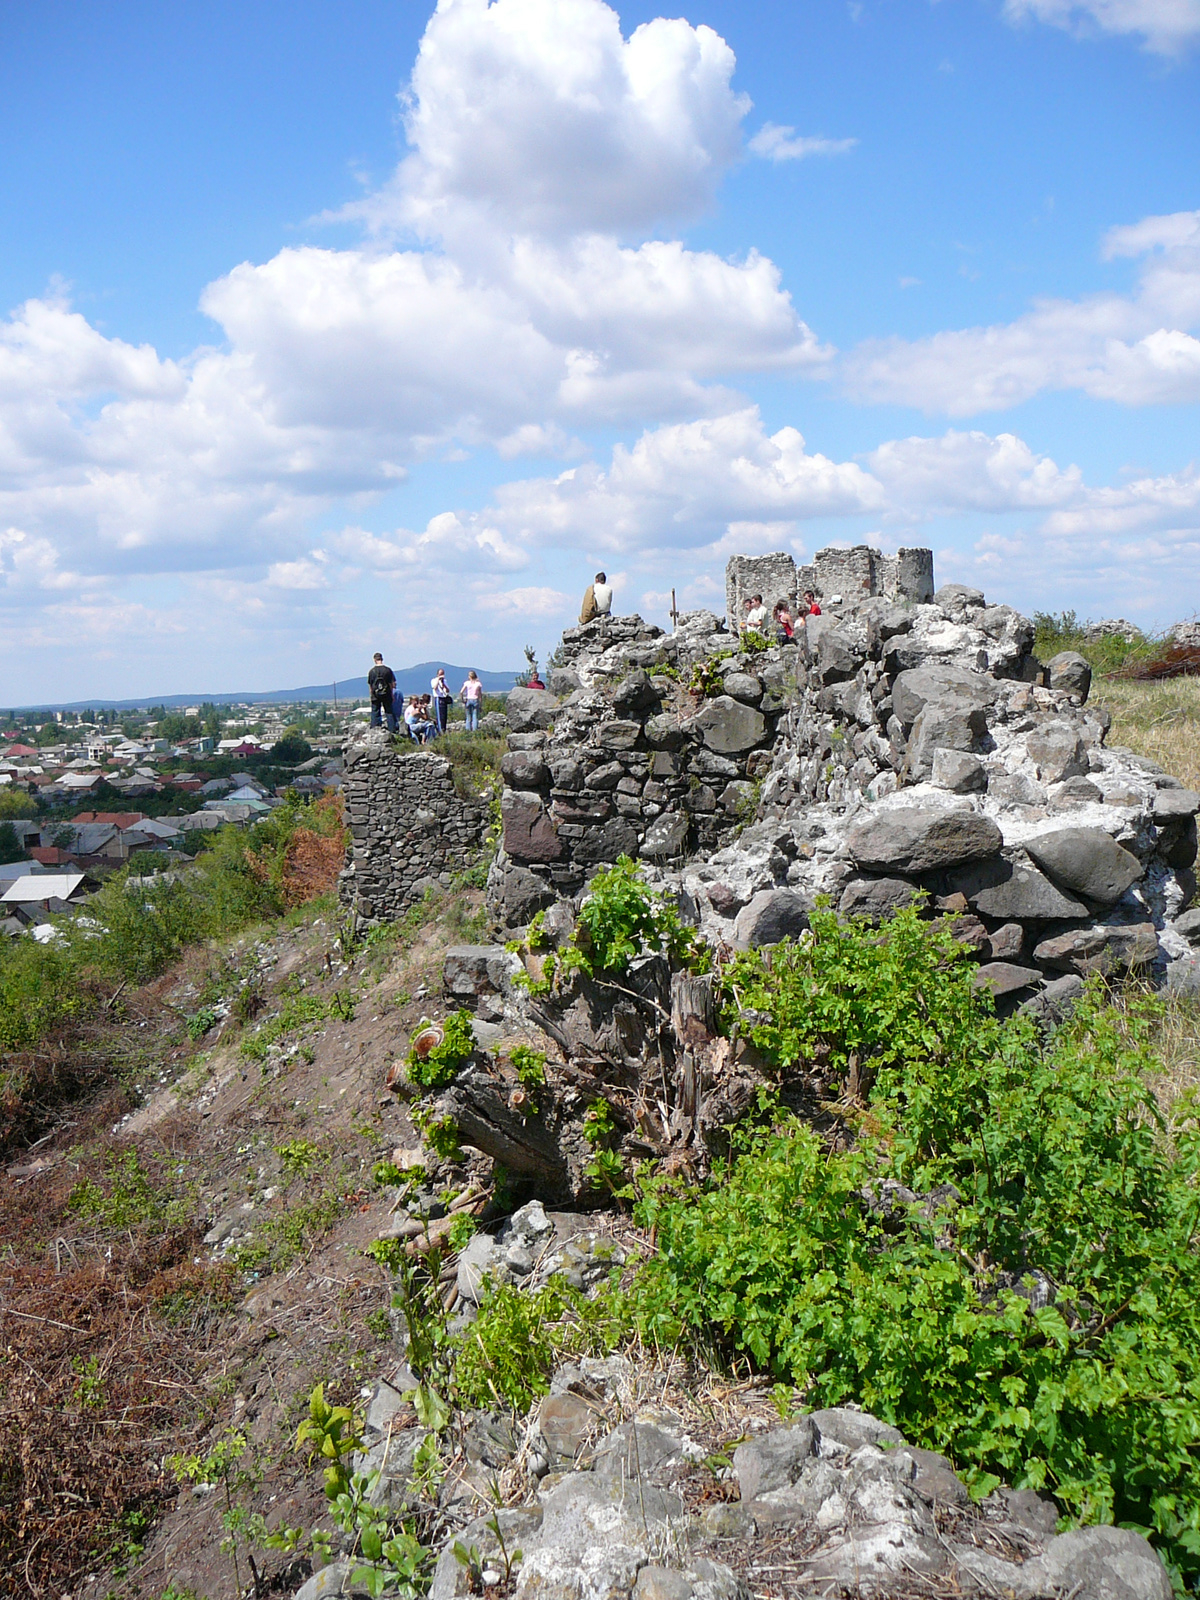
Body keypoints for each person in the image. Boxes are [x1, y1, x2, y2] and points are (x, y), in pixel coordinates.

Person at [368, 652, 397, 731]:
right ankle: (392, 730)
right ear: (382, 659)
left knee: (375, 712)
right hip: (386, 693)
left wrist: (371, 694)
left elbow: (370, 685)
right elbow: (392, 683)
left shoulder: (371, 671)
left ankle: (375, 729)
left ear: (374, 660)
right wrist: (392, 694)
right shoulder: (388, 670)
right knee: (389, 712)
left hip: (375, 694)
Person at [431, 668, 452, 735]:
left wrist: (443, 684)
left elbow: (448, 690)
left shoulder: (445, 681)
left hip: (444, 698)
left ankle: (443, 729)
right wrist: (438, 680)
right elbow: (434, 688)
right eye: (440, 674)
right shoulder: (434, 680)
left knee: (444, 716)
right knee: (440, 716)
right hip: (438, 698)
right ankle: (440, 731)